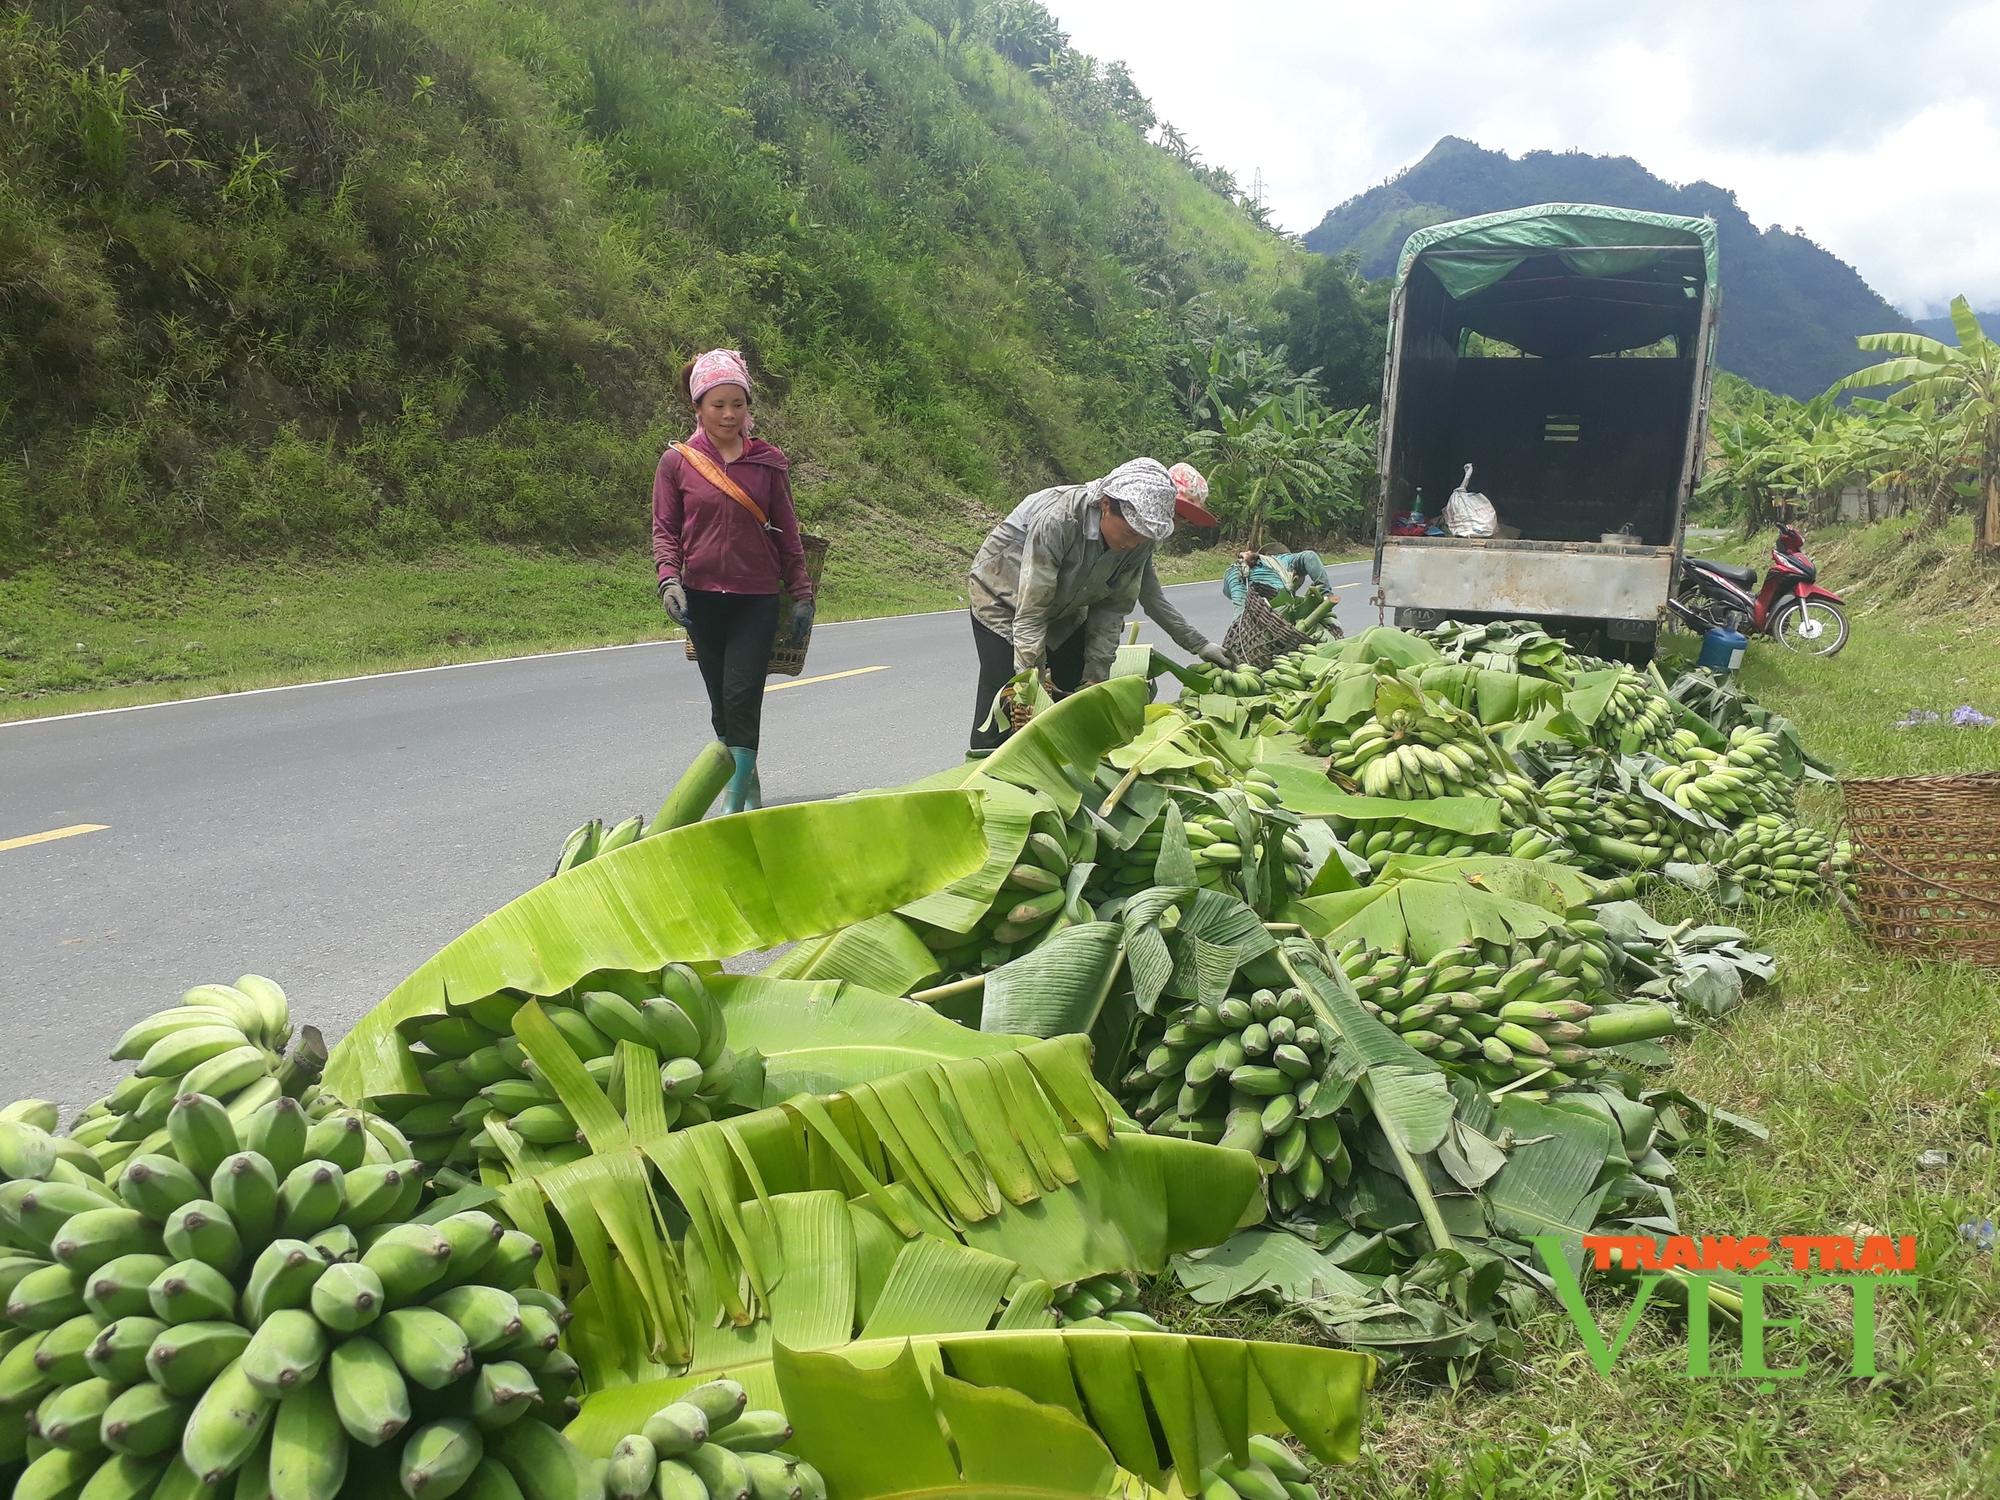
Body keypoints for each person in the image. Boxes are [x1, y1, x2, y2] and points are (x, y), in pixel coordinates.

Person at [966, 457, 1232, 752]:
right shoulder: (1060, 519)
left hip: (1066, 604)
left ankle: (1065, 767)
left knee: (1076, 691)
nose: (1133, 544)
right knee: (1007, 695)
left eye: (1142, 538)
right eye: (1130, 534)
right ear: (1106, 504)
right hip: (1003, 598)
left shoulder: (1141, 538)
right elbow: (1031, 614)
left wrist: (1095, 680)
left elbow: (1112, 609)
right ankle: (985, 765)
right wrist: (1033, 683)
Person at [653, 349, 814, 813]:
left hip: (755, 600)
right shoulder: (677, 463)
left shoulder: (768, 462)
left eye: (737, 404)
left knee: (743, 697)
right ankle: (751, 786)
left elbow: (787, 531)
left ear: (748, 407)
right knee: (722, 705)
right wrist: (669, 581)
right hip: (701, 599)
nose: (728, 414)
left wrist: (801, 594)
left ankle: (733, 805)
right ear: (698, 407)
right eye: (718, 404)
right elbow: (665, 530)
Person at [1222, 548, 1335, 616]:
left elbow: (1309, 557)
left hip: (1275, 609)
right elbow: (1309, 556)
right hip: (1255, 607)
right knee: (1241, 616)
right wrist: (1326, 593)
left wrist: (1326, 594)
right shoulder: (1232, 571)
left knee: (1241, 618)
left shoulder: (1281, 561)